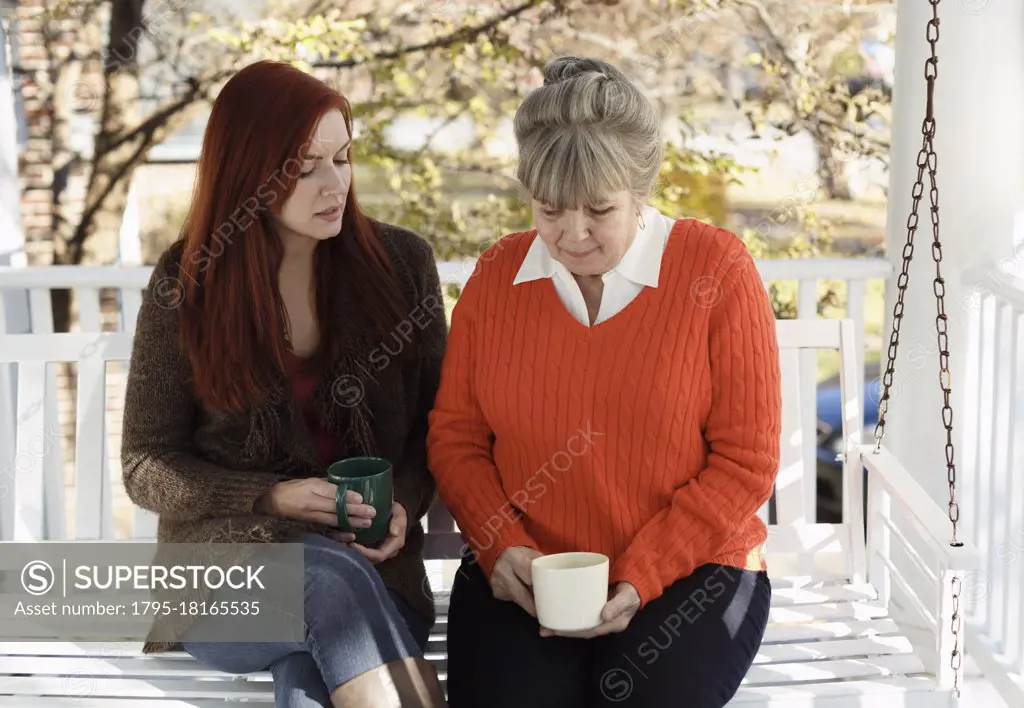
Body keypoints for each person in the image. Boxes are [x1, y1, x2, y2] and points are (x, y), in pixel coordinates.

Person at [426, 56, 782, 708]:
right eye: (550, 209)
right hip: (526, 573)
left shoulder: (716, 270)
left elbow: (746, 462)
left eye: (598, 209)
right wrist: (501, 546)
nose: (572, 235)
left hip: (692, 571)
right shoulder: (497, 276)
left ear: (640, 190)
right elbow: (457, 438)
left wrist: (641, 577)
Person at [121, 60, 448, 708]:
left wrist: (401, 508)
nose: (335, 185)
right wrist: (269, 498)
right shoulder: (188, 282)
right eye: (304, 168)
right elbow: (144, 464)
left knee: (308, 680)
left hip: (378, 583)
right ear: (248, 172)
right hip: (226, 590)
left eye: (343, 158)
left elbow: (434, 429)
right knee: (323, 584)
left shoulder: (403, 266)